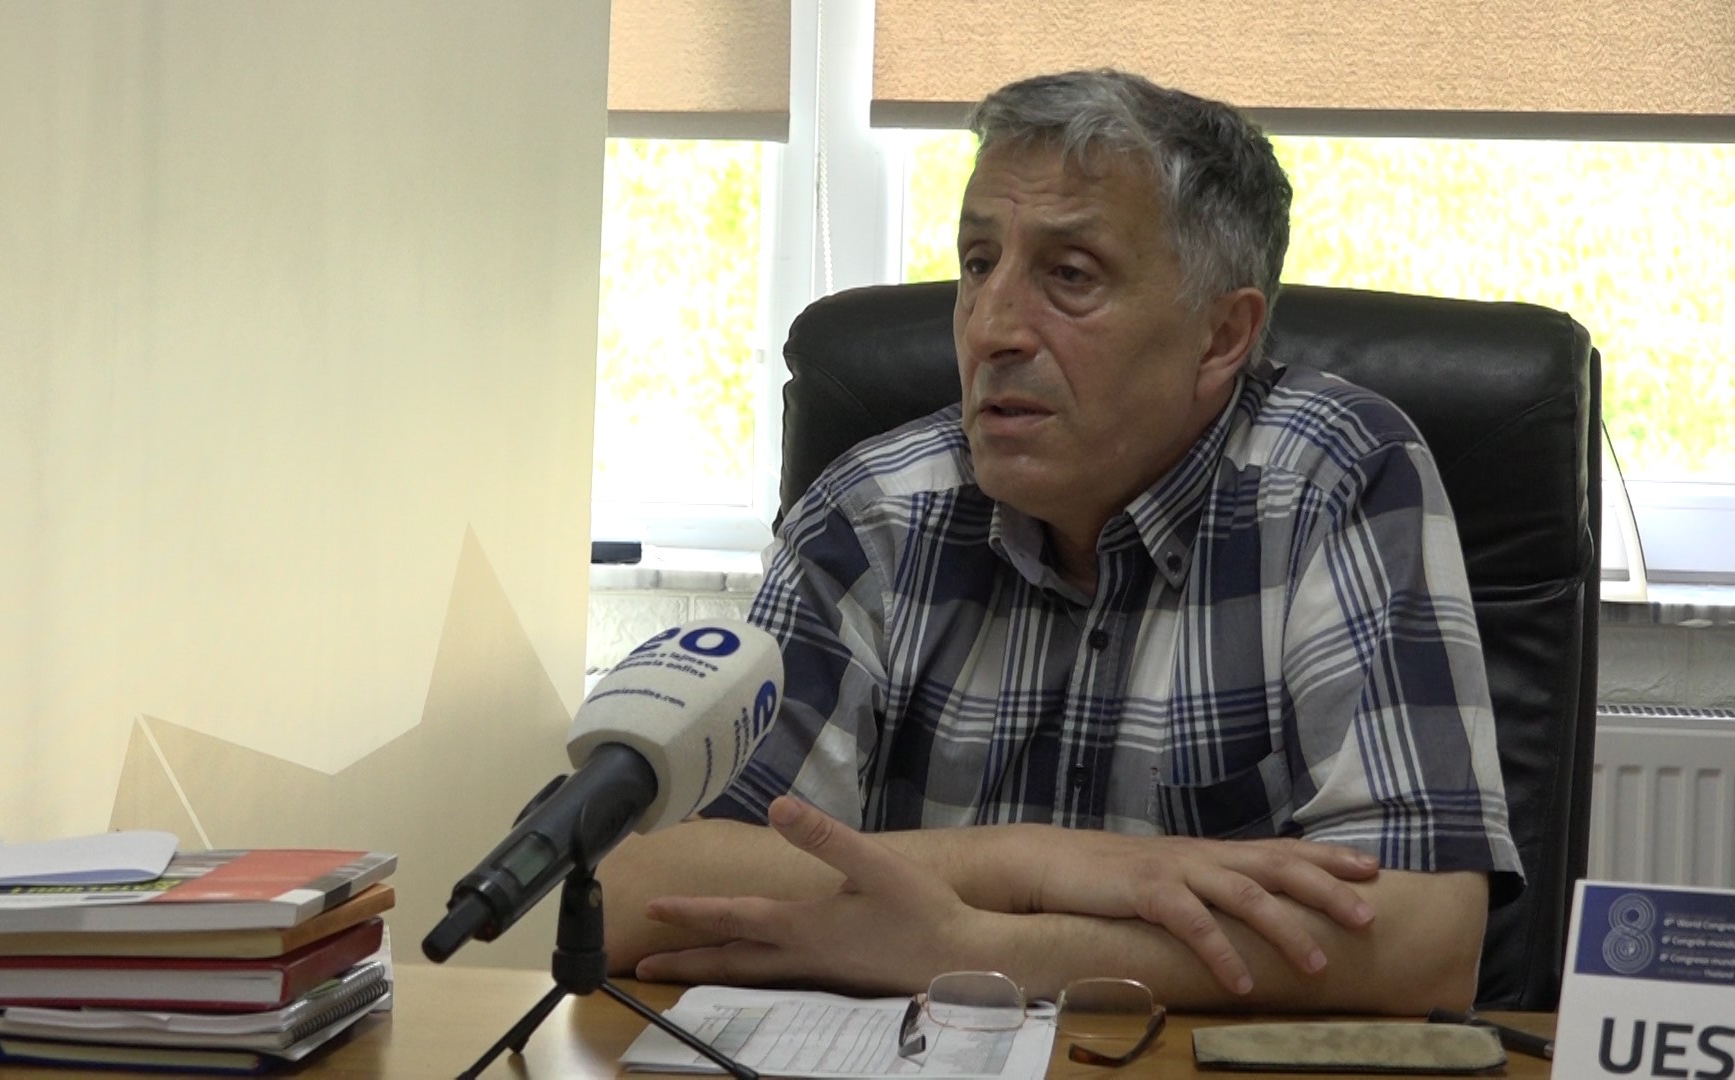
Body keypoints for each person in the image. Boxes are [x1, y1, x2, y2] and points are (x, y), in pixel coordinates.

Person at [599, 69, 1522, 1015]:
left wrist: (981, 948)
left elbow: (1424, 941)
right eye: (977, 263)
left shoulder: (1334, 481)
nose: (991, 327)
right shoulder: (875, 514)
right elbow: (627, 889)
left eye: (1070, 276)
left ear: (1221, 337)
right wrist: (1027, 862)